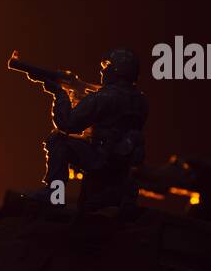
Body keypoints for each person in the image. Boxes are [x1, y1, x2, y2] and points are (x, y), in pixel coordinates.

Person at [34, 48, 148, 206]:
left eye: (107, 66)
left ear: (117, 70)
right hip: (120, 165)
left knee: (58, 140)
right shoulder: (140, 101)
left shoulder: (105, 97)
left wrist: (60, 94)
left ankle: (55, 195)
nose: (103, 71)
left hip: (100, 158)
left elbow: (68, 123)